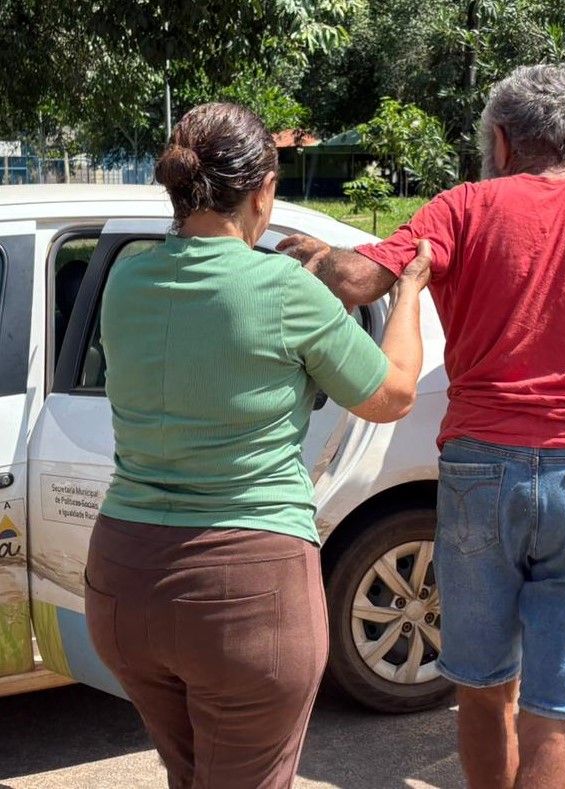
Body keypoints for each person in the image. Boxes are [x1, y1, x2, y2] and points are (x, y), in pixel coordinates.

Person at [278, 64, 565, 789]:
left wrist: (309, 255)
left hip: (479, 472)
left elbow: (357, 281)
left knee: (483, 684)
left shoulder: (462, 207)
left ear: (500, 138)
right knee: (560, 708)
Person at [83, 102, 430, 789]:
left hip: (123, 583)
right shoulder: (282, 294)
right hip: (246, 592)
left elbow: (214, 319)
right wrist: (410, 292)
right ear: (264, 189)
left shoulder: (126, 278)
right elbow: (390, 395)